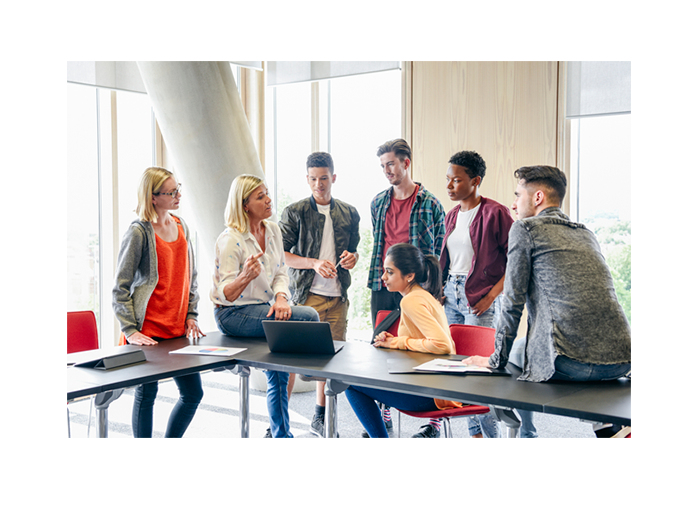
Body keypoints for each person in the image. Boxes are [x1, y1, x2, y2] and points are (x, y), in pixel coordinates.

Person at [465, 165, 631, 438]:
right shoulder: (586, 232)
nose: (514, 203)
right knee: (534, 350)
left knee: (516, 354)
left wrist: (494, 361)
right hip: (621, 360)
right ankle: (608, 428)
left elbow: (513, 301)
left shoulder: (525, 228)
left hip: (568, 363)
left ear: (538, 197)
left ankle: (517, 429)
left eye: (518, 195)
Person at [211, 174, 319, 438]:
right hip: (232, 314)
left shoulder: (272, 231)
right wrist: (245, 276)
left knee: (278, 372)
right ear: (244, 204)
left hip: (264, 307)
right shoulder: (230, 240)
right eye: (261, 196)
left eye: (267, 193)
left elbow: (281, 272)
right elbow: (224, 294)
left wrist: (282, 297)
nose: (269, 200)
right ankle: (309, 367)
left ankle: (281, 434)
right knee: (309, 316)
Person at [113, 167, 205, 438]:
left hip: (177, 330)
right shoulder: (139, 232)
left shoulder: (180, 225)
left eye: (178, 188)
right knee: (147, 393)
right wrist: (130, 330)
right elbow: (120, 287)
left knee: (193, 394)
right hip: (149, 331)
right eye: (171, 191)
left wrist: (192, 313)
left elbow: (191, 275)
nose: (178, 195)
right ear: (153, 197)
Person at [346, 243, 466, 438]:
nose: (383, 277)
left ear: (409, 276)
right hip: (440, 389)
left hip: (432, 394)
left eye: (389, 272)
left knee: (350, 384)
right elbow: (424, 341)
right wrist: (395, 340)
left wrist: (398, 343)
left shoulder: (411, 300)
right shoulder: (423, 296)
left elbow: (442, 345)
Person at [368, 138, 446, 437]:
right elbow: (378, 243)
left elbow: (438, 249)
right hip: (384, 283)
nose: (387, 170)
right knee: (383, 344)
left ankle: (435, 422)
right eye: (383, 166)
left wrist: (434, 288)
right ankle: (384, 411)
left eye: (391, 164)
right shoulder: (378, 202)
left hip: (418, 286)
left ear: (406, 163)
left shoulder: (430, 204)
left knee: (427, 347)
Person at [279, 152, 360, 437]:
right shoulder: (294, 212)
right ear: (307, 179)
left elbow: (353, 251)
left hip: (337, 298)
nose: (319, 185)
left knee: (330, 362)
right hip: (305, 296)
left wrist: (352, 258)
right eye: (313, 179)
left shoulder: (349, 213)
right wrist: (313, 262)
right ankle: (280, 423)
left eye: (324, 178)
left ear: (333, 178)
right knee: (290, 362)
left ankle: (321, 418)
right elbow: (282, 255)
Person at [440, 151, 514, 438]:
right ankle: (476, 434)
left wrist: (491, 297)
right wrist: (441, 291)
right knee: (458, 370)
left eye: (456, 180)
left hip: (481, 297)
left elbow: (515, 262)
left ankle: (492, 434)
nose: (449, 186)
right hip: (452, 295)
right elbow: (447, 260)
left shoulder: (496, 213)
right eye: (447, 179)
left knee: (480, 373)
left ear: (475, 180)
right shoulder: (451, 216)